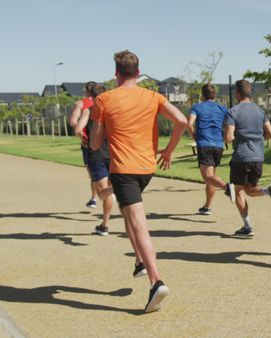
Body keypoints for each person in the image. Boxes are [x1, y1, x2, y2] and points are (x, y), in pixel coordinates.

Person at [89, 50, 188, 313]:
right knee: (127, 215)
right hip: (147, 167)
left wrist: (99, 131)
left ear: (116, 73)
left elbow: (96, 143)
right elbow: (181, 120)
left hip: (123, 169)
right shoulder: (153, 96)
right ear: (138, 71)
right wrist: (168, 150)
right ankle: (140, 262)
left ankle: (156, 281)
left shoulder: (104, 100)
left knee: (137, 223)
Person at [224, 79, 271, 237]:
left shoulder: (233, 112)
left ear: (237, 93)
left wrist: (227, 137)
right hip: (258, 157)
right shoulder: (260, 111)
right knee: (250, 189)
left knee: (238, 190)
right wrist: (257, 140)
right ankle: (268, 191)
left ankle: (247, 227)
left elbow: (229, 137)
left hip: (241, 158)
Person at [187, 84, 235, 215]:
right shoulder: (222, 108)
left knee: (207, 177)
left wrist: (195, 136)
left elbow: (189, 124)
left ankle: (227, 187)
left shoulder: (197, 107)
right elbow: (229, 125)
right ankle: (207, 206)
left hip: (204, 144)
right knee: (212, 177)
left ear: (202, 95)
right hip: (218, 146)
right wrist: (226, 138)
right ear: (214, 94)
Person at [74, 83, 113, 236]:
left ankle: (116, 188)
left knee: (104, 193)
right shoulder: (113, 111)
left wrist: (83, 139)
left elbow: (77, 129)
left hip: (96, 154)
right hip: (113, 153)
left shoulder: (89, 110)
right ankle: (104, 224)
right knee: (109, 192)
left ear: (92, 96)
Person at [69, 81, 98, 209]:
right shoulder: (105, 101)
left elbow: (73, 121)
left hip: (88, 144)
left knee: (93, 173)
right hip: (104, 142)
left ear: (86, 90)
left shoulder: (81, 103)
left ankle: (94, 198)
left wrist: (82, 136)